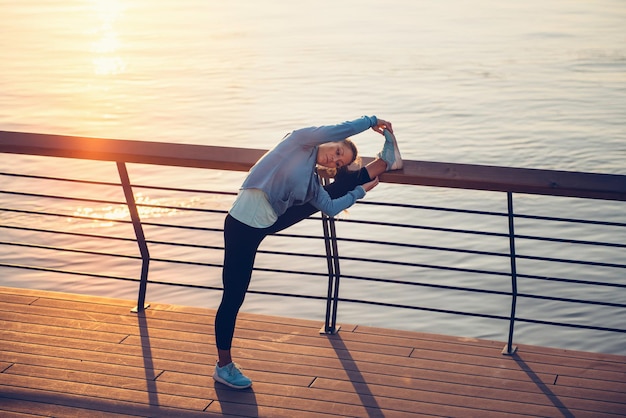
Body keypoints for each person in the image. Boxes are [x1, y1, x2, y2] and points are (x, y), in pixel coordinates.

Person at [213, 115, 403, 389]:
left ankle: (384, 163)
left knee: (335, 190)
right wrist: (371, 121)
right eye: (337, 152)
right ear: (329, 140)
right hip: (241, 227)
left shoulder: (312, 182)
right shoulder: (299, 141)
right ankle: (223, 366)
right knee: (233, 297)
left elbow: (332, 207)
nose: (333, 160)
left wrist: (360, 191)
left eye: (339, 162)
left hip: (267, 223)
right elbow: (343, 128)